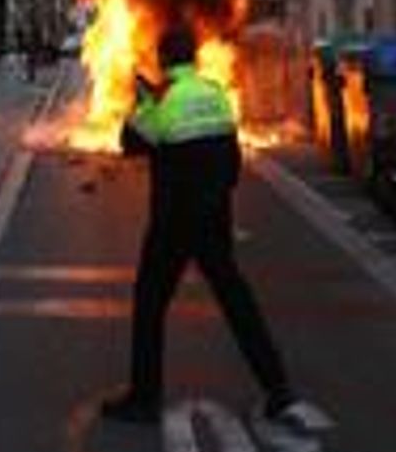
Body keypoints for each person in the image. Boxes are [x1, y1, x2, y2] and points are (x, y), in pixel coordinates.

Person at [102, 23, 296, 426]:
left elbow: (130, 144)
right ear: (194, 57)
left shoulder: (164, 97)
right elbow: (231, 160)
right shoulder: (215, 93)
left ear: (163, 59)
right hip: (214, 218)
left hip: (173, 222)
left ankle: (144, 398)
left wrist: (141, 103)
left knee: (151, 302)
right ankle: (278, 388)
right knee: (236, 301)